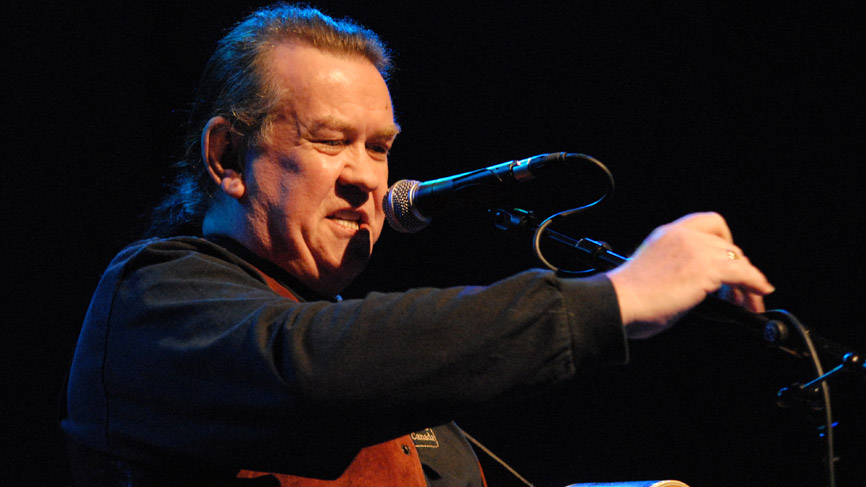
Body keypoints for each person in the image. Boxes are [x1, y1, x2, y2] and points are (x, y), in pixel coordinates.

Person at [60, 4, 774, 486]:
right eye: (331, 141)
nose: (365, 179)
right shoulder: (152, 297)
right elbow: (312, 365)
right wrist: (616, 297)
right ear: (226, 158)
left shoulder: (395, 385)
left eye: (379, 149)